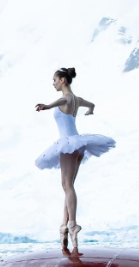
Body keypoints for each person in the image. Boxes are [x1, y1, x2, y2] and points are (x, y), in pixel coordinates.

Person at [34, 67, 116, 253]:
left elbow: (63, 100)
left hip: (68, 145)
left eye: (54, 80)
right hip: (77, 145)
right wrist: (90, 111)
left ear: (63, 80)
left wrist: (47, 106)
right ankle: (65, 224)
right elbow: (91, 104)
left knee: (67, 186)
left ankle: (72, 224)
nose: (53, 83)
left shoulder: (68, 98)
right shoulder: (77, 100)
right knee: (68, 185)